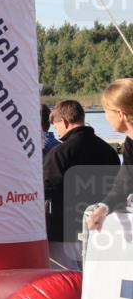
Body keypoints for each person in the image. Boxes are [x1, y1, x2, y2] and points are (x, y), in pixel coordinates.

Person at [43, 99, 119, 269]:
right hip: (100, 230)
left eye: (56, 127)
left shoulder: (59, 154)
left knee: (65, 284)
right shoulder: (108, 151)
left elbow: (46, 189)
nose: (57, 131)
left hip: (63, 233)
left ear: (64, 122)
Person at [87, 78, 133, 232]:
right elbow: (122, 187)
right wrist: (103, 208)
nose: (106, 117)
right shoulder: (130, 143)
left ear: (120, 114)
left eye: (106, 111)